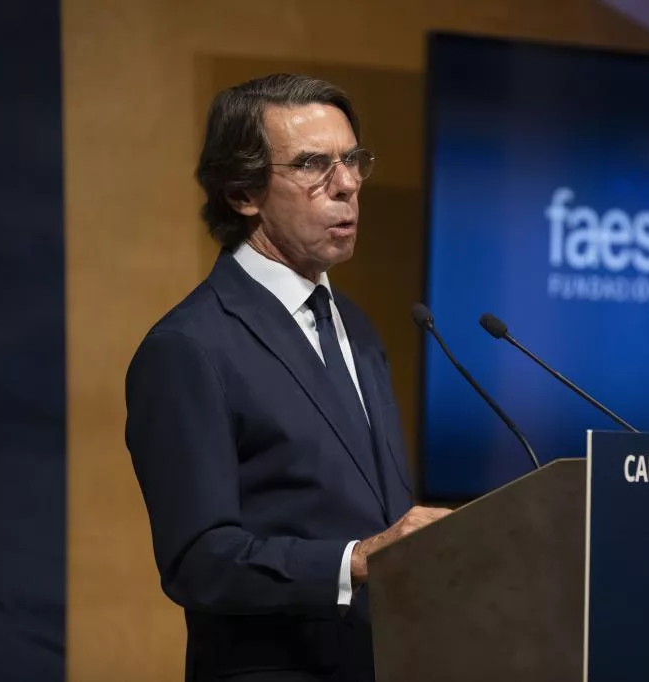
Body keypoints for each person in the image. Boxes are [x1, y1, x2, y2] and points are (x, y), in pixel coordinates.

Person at [125, 73, 450, 682]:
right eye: (313, 165)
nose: (347, 184)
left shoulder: (358, 326)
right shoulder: (188, 348)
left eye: (352, 160)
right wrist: (354, 561)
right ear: (242, 193)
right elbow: (199, 561)